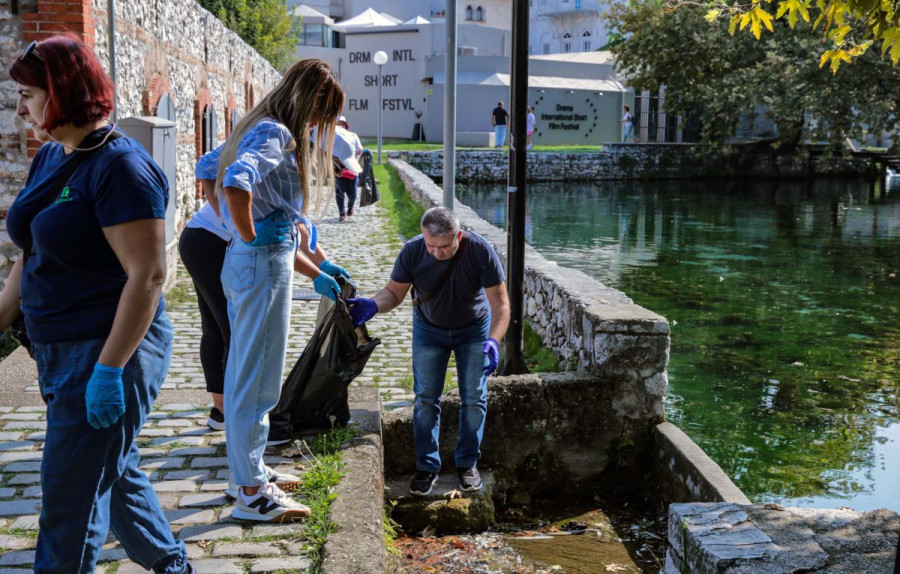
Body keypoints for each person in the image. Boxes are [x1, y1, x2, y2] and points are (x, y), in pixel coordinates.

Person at [0, 35, 191, 573]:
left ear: (63, 92)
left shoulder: (120, 168)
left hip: (108, 352)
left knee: (70, 498)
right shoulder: (52, 156)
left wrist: (108, 370)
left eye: (29, 95)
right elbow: (31, 251)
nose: (20, 109)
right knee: (113, 468)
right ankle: (173, 566)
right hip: (56, 351)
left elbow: (148, 276)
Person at [215, 58, 352, 522]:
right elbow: (235, 181)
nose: (318, 124)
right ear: (309, 101)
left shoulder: (256, 125)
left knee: (244, 374)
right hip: (261, 265)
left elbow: (210, 167)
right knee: (258, 381)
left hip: (250, 263)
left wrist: (250, 236)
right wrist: (250, 233)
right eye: (321, 114)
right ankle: (252, 493)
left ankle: (245, 471)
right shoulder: (277, 133)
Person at [347, 207, 510, 496]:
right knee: (425, 398)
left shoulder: (480, 251)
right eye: (430, 245)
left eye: (444, 246)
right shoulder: (412, 251)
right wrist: (373, 305)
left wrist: (494, 341)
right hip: (429, 329)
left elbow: (501, 305)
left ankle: (467, 463)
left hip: (473, 329)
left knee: (474, 397)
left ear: (458, 236)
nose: (436, 252)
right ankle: (426, 466)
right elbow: (394, 293)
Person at [178, 157, 230, 431]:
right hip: (208, 242)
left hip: (201, 239)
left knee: (218, 327)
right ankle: (229, 409)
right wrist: (222, 214)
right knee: (230, 328)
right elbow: (206, 164)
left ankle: (221, 410)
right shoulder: (266, 139)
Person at [333, 116, 363, 222]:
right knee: (339, 193)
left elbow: (360, 150)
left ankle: (350, 206)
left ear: (346, 125)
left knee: (352, 193)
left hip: (351, 169)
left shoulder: (352, 136)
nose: (340, 125)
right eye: (338, 124)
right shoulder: (332, 138)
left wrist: (352, 154)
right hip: (338, 170)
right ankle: (341, 213)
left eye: (342, 123)